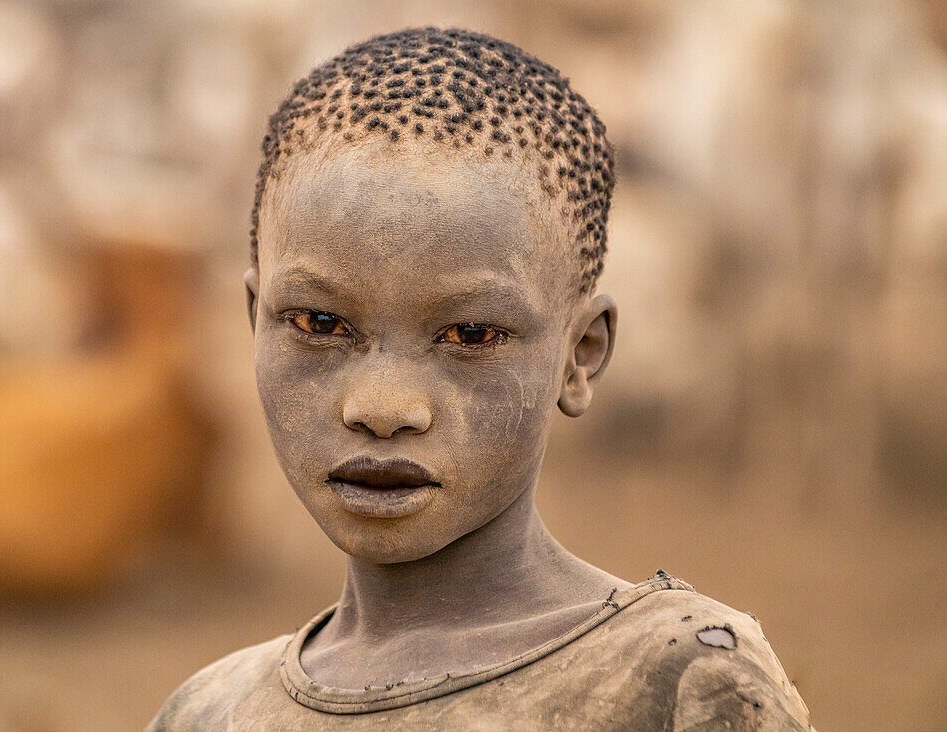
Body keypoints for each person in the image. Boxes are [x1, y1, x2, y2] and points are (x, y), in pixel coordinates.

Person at [149, 27, 813, 730]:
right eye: (318, 323)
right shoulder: (209, 712)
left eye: (470, 335)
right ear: (256, 320)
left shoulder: (679, 676)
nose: (382, 408)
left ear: (579, 355)